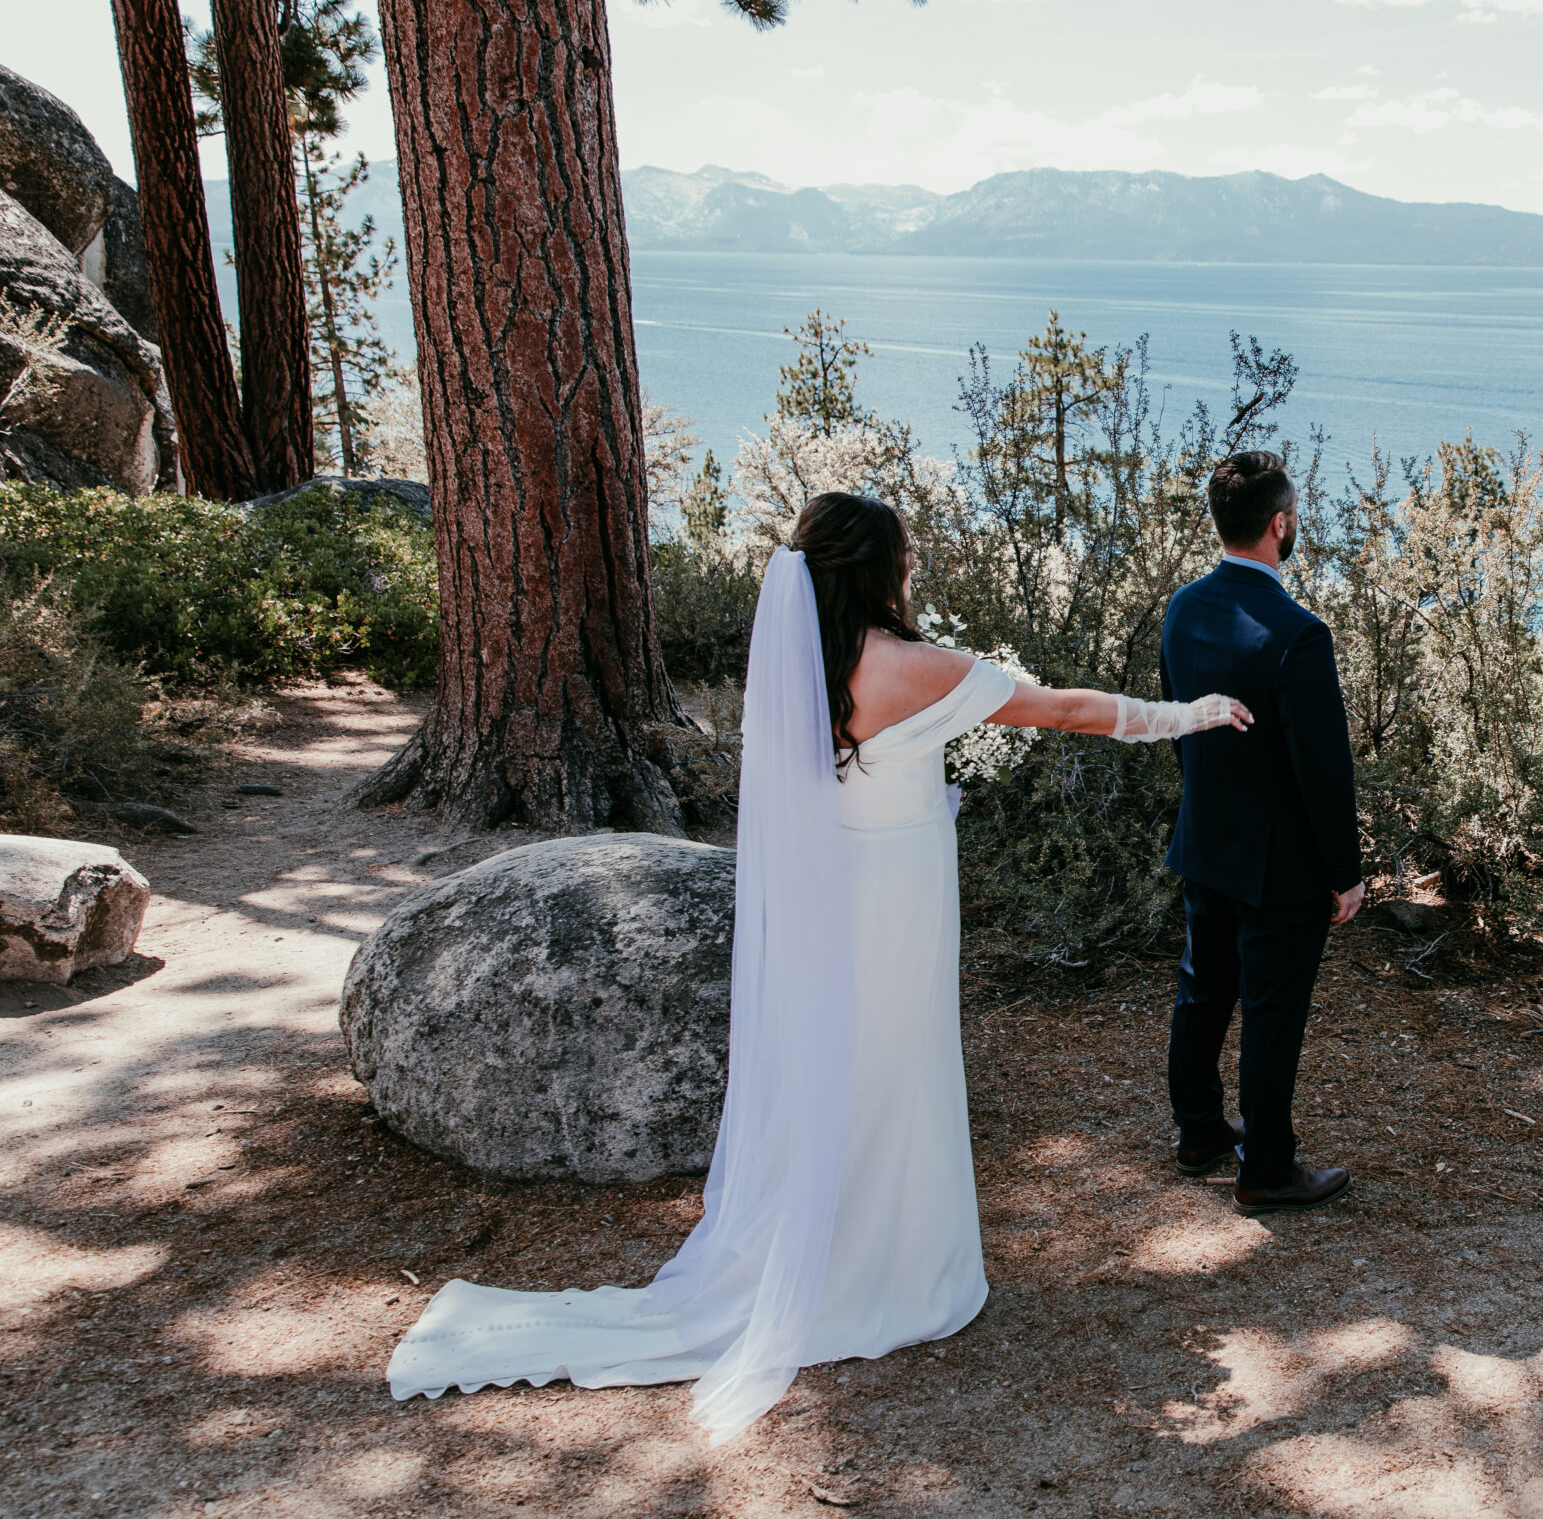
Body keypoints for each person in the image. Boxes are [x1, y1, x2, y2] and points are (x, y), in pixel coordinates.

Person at [383, 491, 1247, 1445]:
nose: (913, 568)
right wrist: (1190, 713)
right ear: (880, 569)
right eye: (906, 556)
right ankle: (894, 1271)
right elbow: (1067, 710)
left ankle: (837, 1245)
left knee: (850, 1066)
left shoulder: (802, 668)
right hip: (900, 907)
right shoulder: (916, 666)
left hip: (842, 901)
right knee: (899, 1066)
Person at [1159, 450, 1365, 1214]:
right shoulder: (1299, 634)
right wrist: (1344, 872)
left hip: (1207, 837)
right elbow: (1324, 769)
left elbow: (1178, 722)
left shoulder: (1183, 607)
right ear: (1280, 525)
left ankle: (1199, 1130)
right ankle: (1266, 1168)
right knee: (1273, 1010)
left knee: (1202, 988)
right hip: (1278, 864)